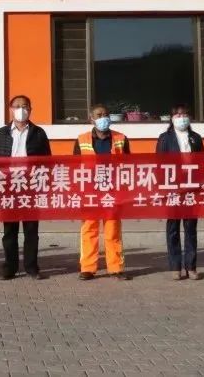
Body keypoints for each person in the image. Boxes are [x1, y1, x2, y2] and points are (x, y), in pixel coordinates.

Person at [0, 94, 51, 280]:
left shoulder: (39, 133)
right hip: (8, 187)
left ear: (30, 109)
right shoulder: (1, 134)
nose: (21, 110)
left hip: (31, 186)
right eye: (17, 106)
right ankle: (10, 267)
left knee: (31, 230)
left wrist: (45, 185)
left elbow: (48, 162)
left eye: (25, 106)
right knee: (10, 231)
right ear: (10, 109)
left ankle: (32, 267)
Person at [73, 104, 131, 281]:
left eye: (105, 115)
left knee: (113, 230)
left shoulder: (121, 138)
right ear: (91, 119)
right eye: (99, 115)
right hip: (90, 192)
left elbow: (129, 165)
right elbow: (74, 167)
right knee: (89, 229)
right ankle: (87, 268)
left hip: (113, 191)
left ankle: (116, 268)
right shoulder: (81, 139)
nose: (103, 118)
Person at [155, 104, 204, 280]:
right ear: (172, 118)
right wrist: (163, 186)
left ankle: (191, 266)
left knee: (190, 227)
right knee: (173, 228)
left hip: (192, 186)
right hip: (173, 187)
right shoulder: (165, 138)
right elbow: (159, 164)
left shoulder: (196, 138)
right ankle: (175, 266)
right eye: (178, 115)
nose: (182, 118)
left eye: (184, 115)